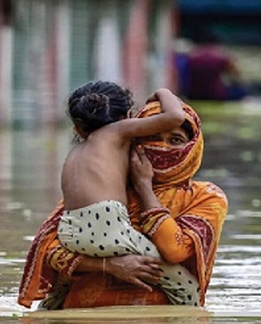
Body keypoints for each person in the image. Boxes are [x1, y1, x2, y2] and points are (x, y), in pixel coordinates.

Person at [18, 98, 228, 309]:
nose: (162, 147)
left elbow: (176, 250)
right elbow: (50, 251)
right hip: (84, 322)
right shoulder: (103, 189)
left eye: (175, 140)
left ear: (192, 147)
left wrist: (144, 187)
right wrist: (107, 266)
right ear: (134, 141)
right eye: (152, 138)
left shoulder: (206, 197)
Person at [56, 81, 200, 306]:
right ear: (128, 117)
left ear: (77, 128)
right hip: (107, 230)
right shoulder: (117, 131)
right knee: (187, 287)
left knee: (56, 294)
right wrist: (163, 91)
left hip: (69, 231)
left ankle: (45, 311)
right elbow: (175, 117)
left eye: (174, 141)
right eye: (151, 136)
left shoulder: (76, 154)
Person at [186, 31, 247, 101]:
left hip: (194, 94)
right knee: (242, 90)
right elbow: (237, 76)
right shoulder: (221, 56)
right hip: (216, 94)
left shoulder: (192, 56)